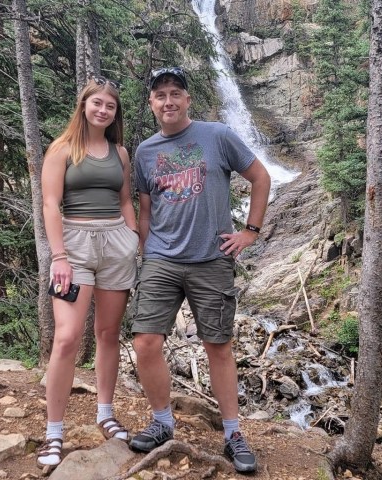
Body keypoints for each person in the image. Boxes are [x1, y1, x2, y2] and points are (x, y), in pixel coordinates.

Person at [129, 66, 271, 473]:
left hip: (211, 258)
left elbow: (260, 177)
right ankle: (161, 422)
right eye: (160, 96)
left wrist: (251, 232)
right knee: (145, 342)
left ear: (187, 99)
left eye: (176, 93)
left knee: (218, 346)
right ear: (153, 104)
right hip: (161, 258)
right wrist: (145, 249)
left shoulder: (217, 135)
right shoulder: (145, 152)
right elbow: (146, 207)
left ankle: (232, 434)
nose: (168, 101)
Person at [37, 76, 139, 470]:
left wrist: (133, 238)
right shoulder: (62, 149)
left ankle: (105, 412)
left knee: (108, 334)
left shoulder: (120, 153)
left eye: (109, 106)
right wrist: (58, 256)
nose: (103, 110)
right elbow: (50, 204)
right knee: (66, 339)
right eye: (97, 103)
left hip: (116, 244)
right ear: (83, 106)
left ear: (115, 113)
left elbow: (125, 198)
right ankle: (54, 431)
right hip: (74, 246)